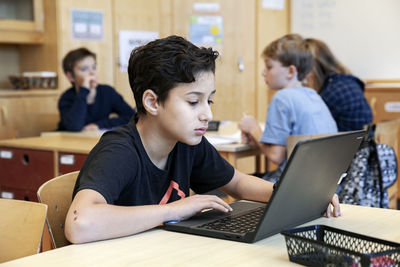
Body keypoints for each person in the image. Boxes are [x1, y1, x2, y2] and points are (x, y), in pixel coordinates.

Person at [64, 35, 341, 244]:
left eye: (209, 100)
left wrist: (300, 195)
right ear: (152, 102)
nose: (207, 114)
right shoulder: (120, 150)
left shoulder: (186, 143)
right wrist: (173, 210)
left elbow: (238, 183)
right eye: (193, 101)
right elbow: (81, 224)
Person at [238, 34, 338, 182]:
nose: (263, 72)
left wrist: (253, 128)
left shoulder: (281, 98)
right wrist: (259, 141)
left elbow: (276, 156)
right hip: (324, 182)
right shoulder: (314, 95)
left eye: (269, 66)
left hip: (293, 183)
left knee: (238, 182)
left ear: (291, 71)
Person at [57, 47, 135, 131]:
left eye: (94, 67)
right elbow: (74, 127)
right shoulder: (66, 98)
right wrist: (84, 90)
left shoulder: (107, 92)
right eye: (84, 69)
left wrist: (99, 125)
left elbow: (131, 116)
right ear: (70, 76)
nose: (92, 72)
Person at [303, 38, 373, 131]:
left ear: (310, 69)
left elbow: (312, 128)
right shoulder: (344, 81)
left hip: (350, 144)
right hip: (362, 142)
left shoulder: (332, 92)